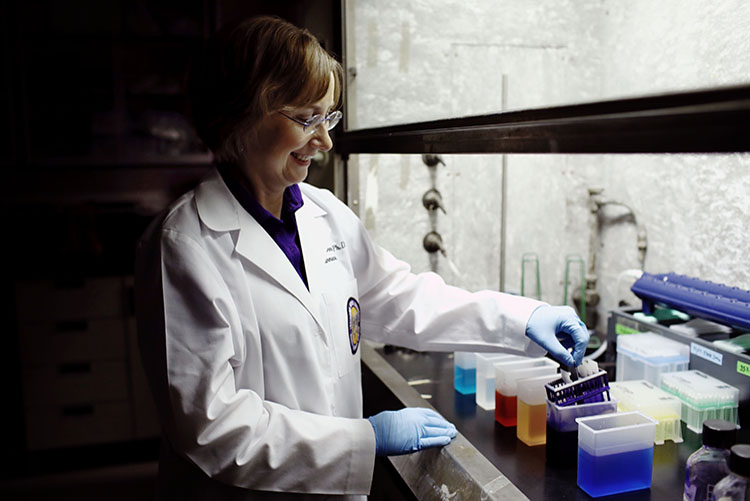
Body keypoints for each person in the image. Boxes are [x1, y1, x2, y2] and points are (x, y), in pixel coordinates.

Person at [134, 15, 589, 500]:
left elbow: (400, 298)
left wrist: (522, 318)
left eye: (328, 117)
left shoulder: (323, 215)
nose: (325, 141)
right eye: (307, 118)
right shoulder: (185, 246)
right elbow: (212, 428)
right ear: (240, 115)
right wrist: (364, 438)